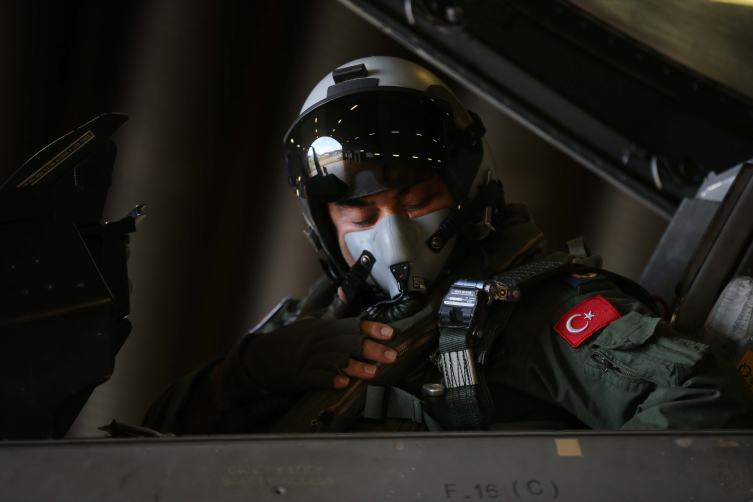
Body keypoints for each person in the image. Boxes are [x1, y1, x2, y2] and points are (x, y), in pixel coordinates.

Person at [143, 57, 753, 434]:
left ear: (469, 189)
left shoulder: (537, 310)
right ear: (324, 227)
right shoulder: (314, 319)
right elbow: (154, 445)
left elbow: (705, 405)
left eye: (415, 202)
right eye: (362, 214)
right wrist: (243, 374)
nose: (394, 236)